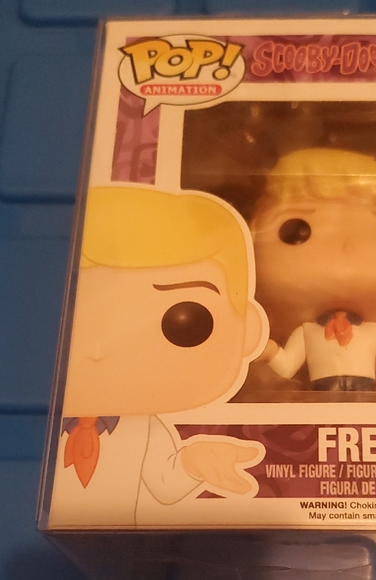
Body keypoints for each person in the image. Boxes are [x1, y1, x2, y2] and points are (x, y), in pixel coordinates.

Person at [48, 185, 268, 527]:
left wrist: (193, 463)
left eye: (185, 323)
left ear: (248, 330)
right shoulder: (44, 420)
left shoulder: (146, 430)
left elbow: (165, 484)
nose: (101, 350)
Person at [252, 148, 376, 392]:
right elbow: (286, 365)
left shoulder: (375, 333)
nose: (348, 247)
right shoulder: (307, 333)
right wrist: (265, 350)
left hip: (365, 396)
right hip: (318, 396)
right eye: (296, 230)